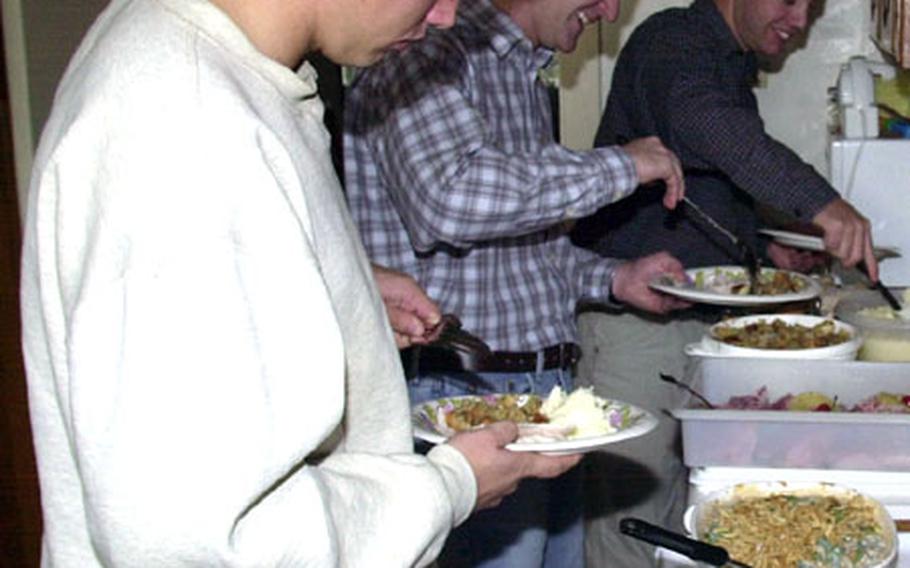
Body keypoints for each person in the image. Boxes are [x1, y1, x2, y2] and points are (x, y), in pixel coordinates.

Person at [18, 0, 587, 565]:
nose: (445, 17)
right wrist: (449, 487)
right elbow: (200, 541)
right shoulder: (186, 119)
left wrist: (342, 294)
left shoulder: (206, 60)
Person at [343, 0, 694, 566]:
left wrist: (615, 277)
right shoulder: (425, 51)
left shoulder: (521, 75)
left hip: (543, 394)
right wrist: (620, 166)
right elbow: (450, 200)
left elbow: (524, 250)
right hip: (458, 395)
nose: (608, 11)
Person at [572, 0, 879, 564]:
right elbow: (710, 127)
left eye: (810, 10)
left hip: (693, 322)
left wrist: (764, 246)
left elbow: (707, 190)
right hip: (631, 325)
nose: (798, 19)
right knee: (629, 522)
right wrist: (822, 204)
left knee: (678, 512)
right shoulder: (674, 41)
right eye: (788, 1)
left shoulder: (729, 61)